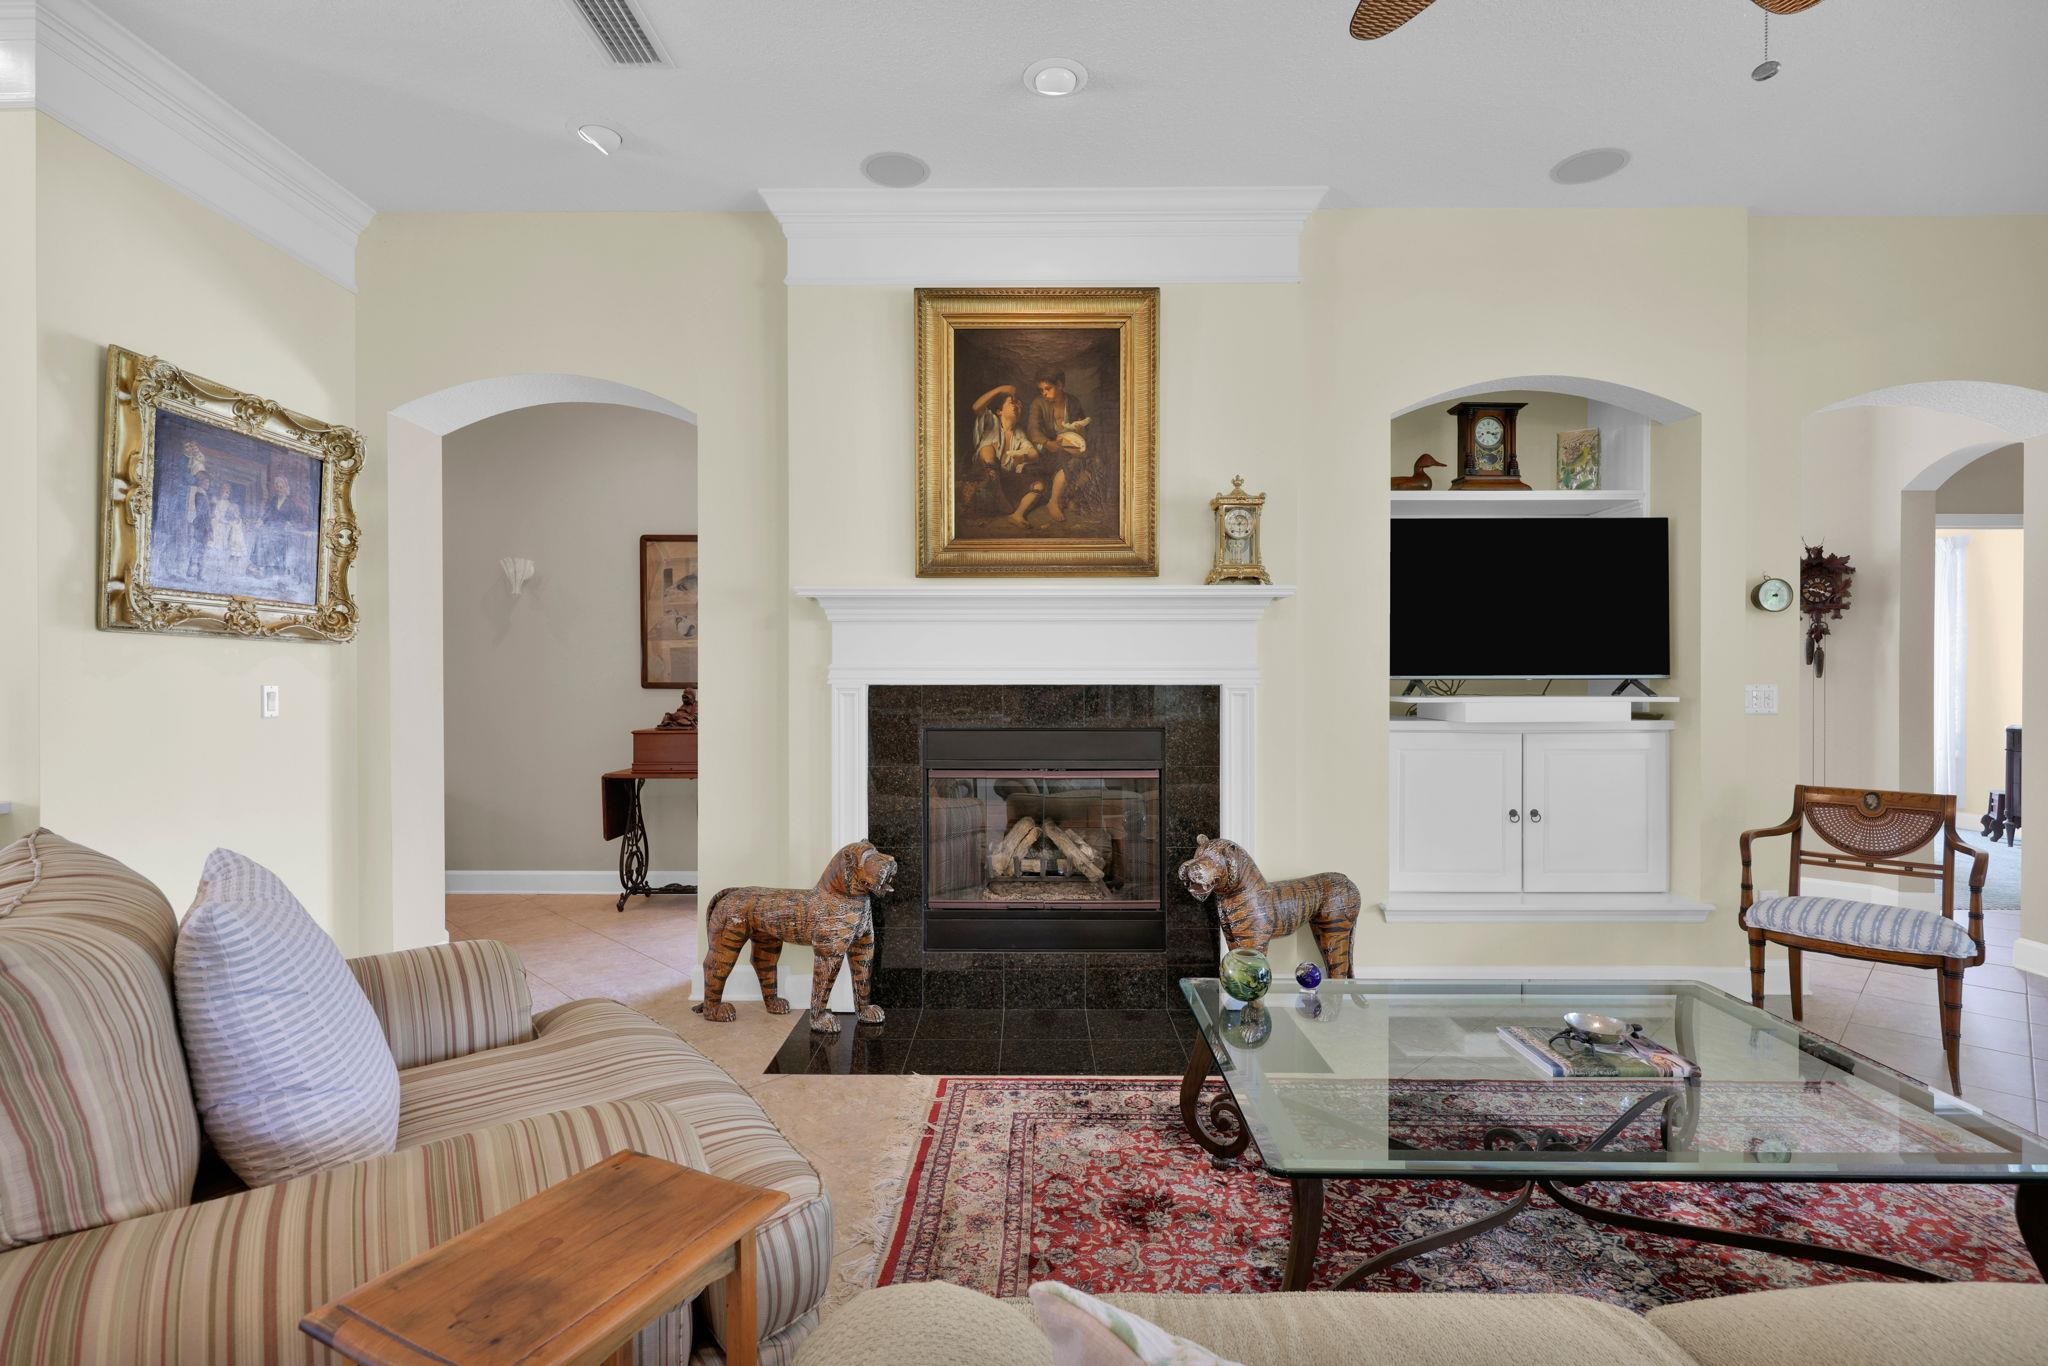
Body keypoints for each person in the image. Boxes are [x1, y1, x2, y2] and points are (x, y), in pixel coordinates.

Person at [968, 384, 1049, 526]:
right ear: (999, 411)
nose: (1017, 406)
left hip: (1006, 478)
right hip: (983, 474)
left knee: (1039, 486)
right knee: (987, 449)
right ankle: (998, 493)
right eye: (1012, 402)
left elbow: (1034, 453)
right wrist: (1001, 389)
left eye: (1019, 404)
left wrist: (1023, 457)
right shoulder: (991, 422)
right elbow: (976, 407)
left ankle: (1017, 515)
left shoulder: (1019, 433)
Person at [1025, 370, 1090, 522]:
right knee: (1070, 460)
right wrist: (1048, 443)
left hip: (1068, 448)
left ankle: (1065, 498)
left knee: (1085, 461)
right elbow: (1032, 430)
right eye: (1041, 390)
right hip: (1047, 450)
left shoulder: (1073, 402)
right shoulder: (1038, 403)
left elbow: (1083, 428)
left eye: (1048, 389)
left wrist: (1081, 430)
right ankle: (1053, 502)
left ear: (1060, 385)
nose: (1044, 393)